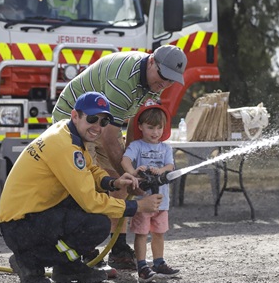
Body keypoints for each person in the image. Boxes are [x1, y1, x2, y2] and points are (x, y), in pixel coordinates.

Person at [0, 92, 163, 283]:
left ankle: (67, 269)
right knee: (97, 223)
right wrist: (136, 206)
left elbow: (89, 168)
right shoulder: (65, 146)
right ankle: (29, 263)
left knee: (90, 208)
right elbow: (91, 202)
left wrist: (113, 183)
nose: (97, 127)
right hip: (20, 226)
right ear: (75, 115)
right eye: (92, 119)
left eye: (103, 122)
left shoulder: (67, 132)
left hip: (28, 217)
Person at [52, 45, 187, 270]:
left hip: (101, 124)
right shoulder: (125, 79)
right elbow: (108, 136)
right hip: (75, 121)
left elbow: (135, 123)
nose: (165, 84)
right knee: (88, 185)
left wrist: (132, 167)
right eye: (163, 76)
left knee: (120, 184)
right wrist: (129, 175)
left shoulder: (155, 82)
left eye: (171, 80)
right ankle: (84, 253)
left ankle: (119, 248)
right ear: (152, 61)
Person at [121, 101, 179, 283]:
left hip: (162, 201)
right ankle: (142, 266)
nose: (155, 132)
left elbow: (170, 166)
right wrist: (133, 174)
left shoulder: (165, 148)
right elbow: (125, 160)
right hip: (142, 201)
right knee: (141, 233)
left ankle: (158, 262)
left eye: (159, 128)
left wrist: (160, 171)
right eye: (150, 127)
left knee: (159, 232)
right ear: (140, 126)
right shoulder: (137, 146)